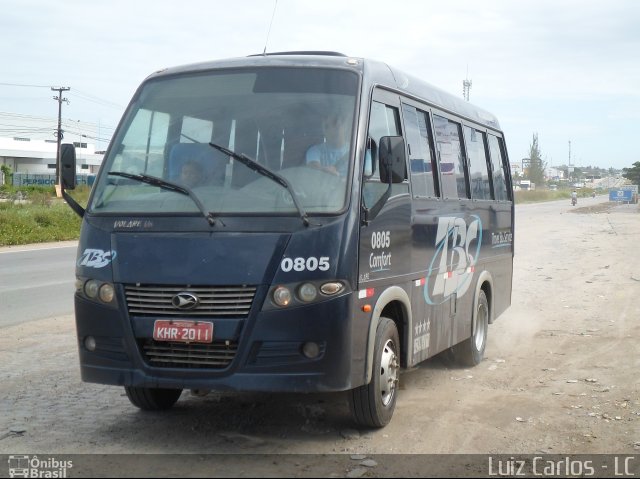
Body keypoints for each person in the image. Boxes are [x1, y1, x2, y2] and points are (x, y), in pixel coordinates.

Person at [306, 111, 350, 176]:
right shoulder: (315, 151)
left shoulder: (358, 152)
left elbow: (365, 180)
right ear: (323, 131)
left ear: (345, 127)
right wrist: (324, 171)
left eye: (335, 124)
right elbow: (313, 168)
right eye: (326, 127)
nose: (331, 130)